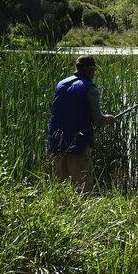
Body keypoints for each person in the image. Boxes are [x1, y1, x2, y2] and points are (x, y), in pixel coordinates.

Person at [46, 54, 115, 193]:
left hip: (55, 143)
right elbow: (98, 120)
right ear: (90, 70)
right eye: (94, 70)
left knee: (60, 189)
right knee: (83, 189)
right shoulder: (90, 89)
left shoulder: (61, 84)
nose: (94, 73)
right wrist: (109, 119)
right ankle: (84, 214)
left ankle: (60, 212)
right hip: (78, 145)